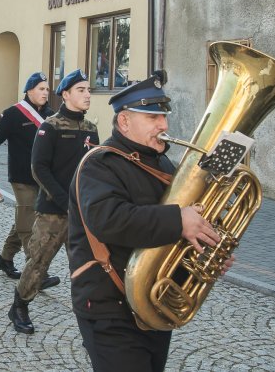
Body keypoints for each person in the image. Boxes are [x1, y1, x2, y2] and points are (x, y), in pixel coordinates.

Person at [68, 72, 232, 371]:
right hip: (109, 306)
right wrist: (178, 219)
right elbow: (108, 220)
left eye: (164, 116)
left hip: (153, 301)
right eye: (152, 117)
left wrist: (206, 248)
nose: (164, 125)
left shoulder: (161, 163)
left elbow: (173, 229)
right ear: (125, 121)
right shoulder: (99, 164)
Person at [8, 69, 99, 334]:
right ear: (66, 94)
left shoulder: (91, 129)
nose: (87, 95)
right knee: (38, 262)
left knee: (85, 266)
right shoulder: (51, 126)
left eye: (89, 90)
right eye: (81, 90)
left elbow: (94, 168)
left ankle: (89, 318)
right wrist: (64, 200)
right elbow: (39, 168)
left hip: (81, 211)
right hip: (53, 211)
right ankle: (20, 306)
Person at [0, 72, 54, 279]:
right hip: (21, 176)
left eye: (47, 89)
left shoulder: (51, 116)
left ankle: (5, 259)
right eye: (41, 89)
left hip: (43, 178)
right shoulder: (12, 114)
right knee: (29, 223)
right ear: (29, 91)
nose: (45, 93)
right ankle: (36, 273)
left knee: (23, 218)